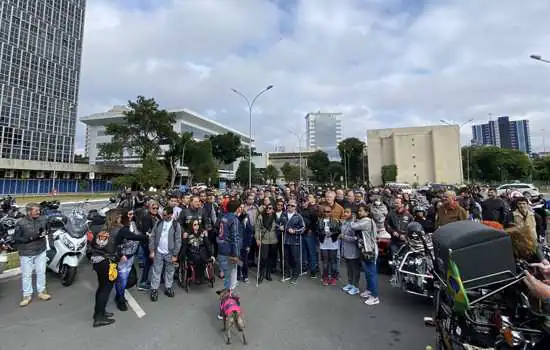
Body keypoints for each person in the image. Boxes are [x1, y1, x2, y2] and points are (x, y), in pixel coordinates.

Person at [90, 209, 146, 327]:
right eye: (120, 216)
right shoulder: (120, 229)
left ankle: (99, 312)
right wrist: (146, 236)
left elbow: (93, 244)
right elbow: (135, 237)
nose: (121, 218)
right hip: (107, 263)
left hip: (97, 261)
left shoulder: (100, 228)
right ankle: (99, 318)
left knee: (101, 288)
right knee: (105, 290)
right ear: (116, 217)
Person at [13, 203, 50, 307]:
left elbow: (47, 229)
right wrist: (29, 239)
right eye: (36, 211)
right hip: (26, 253)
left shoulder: (43, 219)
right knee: (27, 274)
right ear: (29, 212)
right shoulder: (21, 223)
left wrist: (45, 232)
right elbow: (16, 238)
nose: (38, 212)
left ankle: (42, 292)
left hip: (41, 250)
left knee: (41, 272)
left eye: (39, 210)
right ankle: (27, 295)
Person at [149, 206, 182, 301]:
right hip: (158, 251)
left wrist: (175, 254)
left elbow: (178, 240)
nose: (163, 216)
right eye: (162, 214)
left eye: (165, 215)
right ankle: (154, 289)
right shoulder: (159, 223)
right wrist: (152, 250)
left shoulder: (176, 225)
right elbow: (153, 236)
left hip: (170, 253)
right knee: (156, 271)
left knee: (170, 271)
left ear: (171, 214)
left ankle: (168, 287)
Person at [352, 205, 380, 306]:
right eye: (358, 211)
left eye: (361, 211)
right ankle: (369, 290)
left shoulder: (366, 221)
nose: (359, 212)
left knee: (371, 273)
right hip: (365, 250)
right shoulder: (365, 220)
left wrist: (353, 219)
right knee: (368, 272)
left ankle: (375, 296)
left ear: (367, 212)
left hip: (370, 250)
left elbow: (353, 226)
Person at [114, 210, 140, 311]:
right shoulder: (118, 227)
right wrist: (120, 254)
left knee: (124, 279)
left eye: (132, 214)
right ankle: (120, 299)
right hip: (123, 257)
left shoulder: (133, 224)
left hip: (131, 256)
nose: (131, 216)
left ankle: (119, 296)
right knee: (122, 279)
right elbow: (115, 243)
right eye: (129, 214)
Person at [217, 199, 242, 292]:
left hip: (222, 249)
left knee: (227, 277)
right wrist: (236, 255)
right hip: (229, 251)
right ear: (237, 208)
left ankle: (227, 297)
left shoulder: (224, 217)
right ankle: (229, 300)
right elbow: (235, 238)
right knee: (231, 278)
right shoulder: (233, 219)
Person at [180, 219, 214, 283]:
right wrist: (181, 256)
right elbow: (184, 246)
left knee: (204, 258)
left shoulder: (202, 233)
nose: (197, 226)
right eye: (195, 225)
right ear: (191, 226)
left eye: (198, 224)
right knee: (197, 259)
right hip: (192, 251)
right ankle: (198, 276)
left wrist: (211, 255)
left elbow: (208, 245)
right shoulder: (187, 234)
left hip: (201, 251)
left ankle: (201, 275)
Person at [281, 199, 305, 285]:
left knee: (295, 259)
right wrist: (280, 227)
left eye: (292, 206)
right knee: (286, 258)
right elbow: (277, 224)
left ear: (295, 207)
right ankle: (287, 273)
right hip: (285, 240)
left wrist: (295, 231)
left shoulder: (298, 216)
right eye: (289, 205)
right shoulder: (283, 214)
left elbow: (303, 228)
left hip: (294, 241)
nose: (290, 207)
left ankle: (295, 275)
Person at [254, 204, 278, 283]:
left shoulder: (275, 217)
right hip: (264, 240)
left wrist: (281, 228)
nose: (268, 209)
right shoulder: (261, 216)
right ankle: (261, 275)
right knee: (264, 258)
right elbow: (257, 228)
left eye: (270, 208)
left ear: (273, 209)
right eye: (267, 208)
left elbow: (279, 225)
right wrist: (257, 239)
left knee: (271, 258)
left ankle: (268, 274)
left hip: (273, 240)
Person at [317, 205, 340, 286]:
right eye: (325, 211)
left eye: (328, 211)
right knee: (325, 262)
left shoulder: (335, 221)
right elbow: (317, 231)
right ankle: (325, 278)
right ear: (323, 212)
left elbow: (338, 231)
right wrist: (323, 233)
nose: (326, 213)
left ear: (331, 212)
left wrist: (332, 233)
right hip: (323, 243)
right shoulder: (319, 221)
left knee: (333, 261)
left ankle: (333, 278)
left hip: (333, 243)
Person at [340, 208, 361, 295]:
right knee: (349, 268)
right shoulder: (344, 222)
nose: (345, 214)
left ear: (352, 214)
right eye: (345, 212)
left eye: (347, 212)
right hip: (346, 249)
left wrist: (344, 237)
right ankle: (350, 283)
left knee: (355, 268)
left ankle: (356, 287)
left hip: (354, 250)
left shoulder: (356, 224)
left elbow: (357, 238)